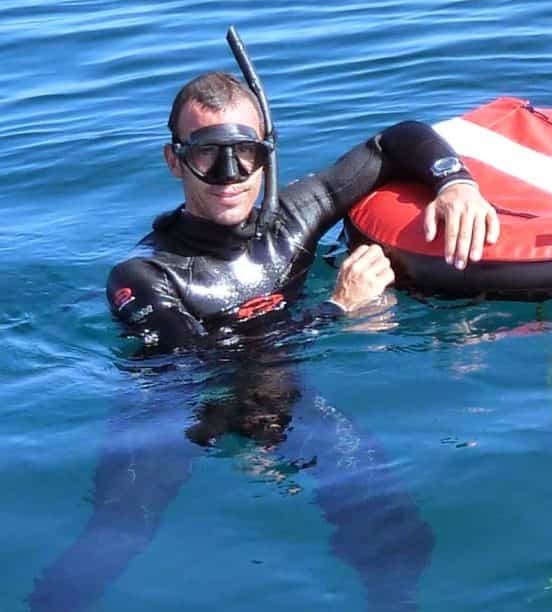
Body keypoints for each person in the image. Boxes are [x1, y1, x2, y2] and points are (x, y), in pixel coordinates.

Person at [29, 34, 500, 611]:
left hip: (285, 395)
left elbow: (394, 140)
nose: (229, 174)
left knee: (395, 530)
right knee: (116, 539)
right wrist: (338, 309)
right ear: (173, 160)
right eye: (206, 154)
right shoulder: (144, 275)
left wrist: (455, 182)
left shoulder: (293, 218)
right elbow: (201, 368)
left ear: (266, 154)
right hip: (172, 415)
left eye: (244, 152)